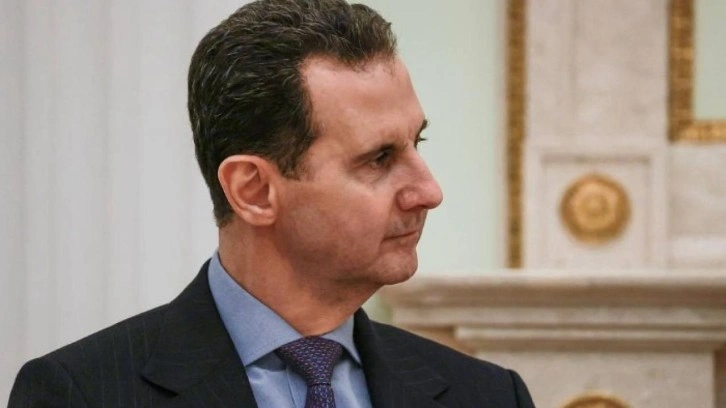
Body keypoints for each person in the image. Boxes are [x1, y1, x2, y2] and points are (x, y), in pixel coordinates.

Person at [9, 0, 535, 406]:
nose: (429, 191)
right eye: (378, 158)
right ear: (253, 191)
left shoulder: (489, 396)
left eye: (417, 143)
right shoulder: (81, 393)